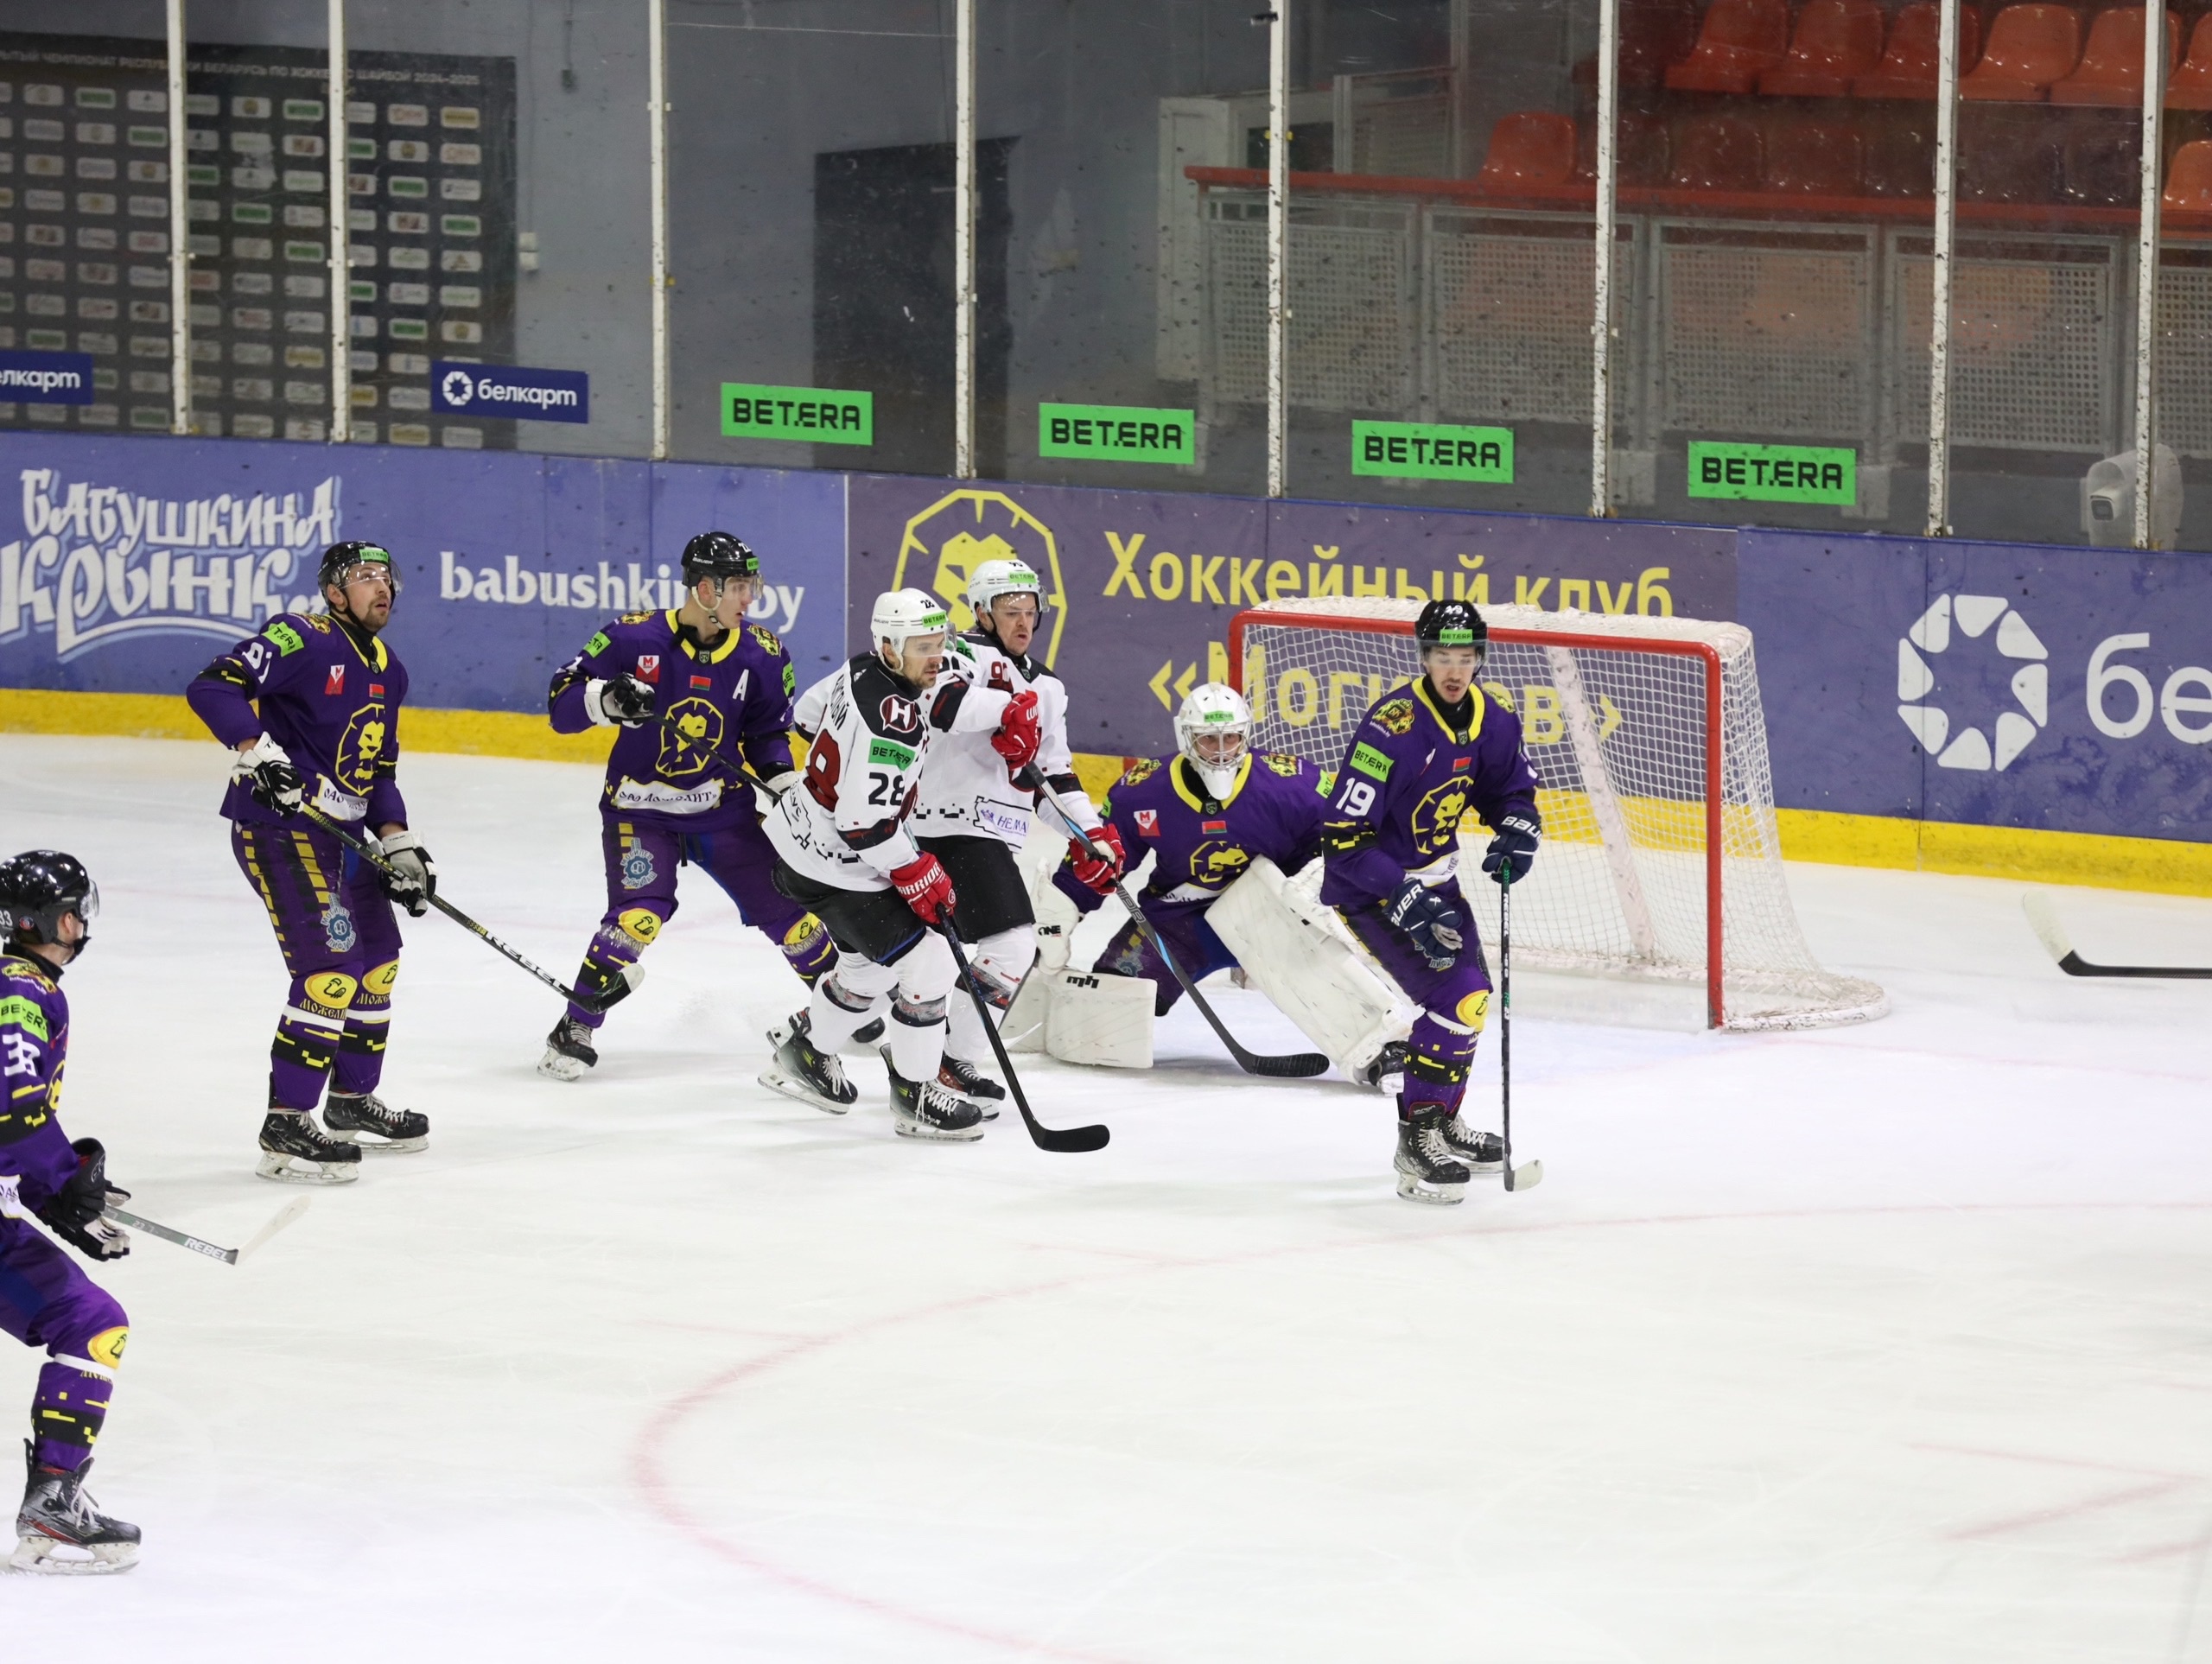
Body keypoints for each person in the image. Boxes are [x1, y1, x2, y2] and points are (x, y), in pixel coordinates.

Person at [537, 531, 837, 1080]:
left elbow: (766, 736)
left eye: (751, 586)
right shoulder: (632, 637)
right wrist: (605, 700)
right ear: (704, 588)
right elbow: (561, 705)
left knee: (793, 914)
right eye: (738, 587)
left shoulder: (763, 654)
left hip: (723, 814)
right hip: (639, 812)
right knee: (637, 915)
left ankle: (843, 1014)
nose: (749, 598)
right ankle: (574, 1026)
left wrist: (785, 785)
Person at [187, 541, 432, 1184]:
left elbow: (378, 770)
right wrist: (256, 748)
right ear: (334, 592)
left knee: (378, 963)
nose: (381, 587)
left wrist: (398, 839)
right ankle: (287, 1122)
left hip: (345, 838)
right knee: (330, 971)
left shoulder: (391, 669)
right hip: (281, 829)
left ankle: (350, 1100)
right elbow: (213, 685)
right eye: (364, 577)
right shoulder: (301, 636)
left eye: (386, 576)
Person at [756, 589, 1042, 1139]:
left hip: (801, 841)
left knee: (873, 965)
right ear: (890, 647)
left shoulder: (859, 667)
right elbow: (863, 825)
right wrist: (915, 870)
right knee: (931, 959)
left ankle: (806, 1054)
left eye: (939, 644)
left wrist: (832, 775)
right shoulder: (896, 727)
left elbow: (808, 716)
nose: (936, 658)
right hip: (837, 861)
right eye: (922, 648)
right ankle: (916, 1096)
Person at [1319, 600, 1542, 1204]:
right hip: (1373, 889)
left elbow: (1509, 790)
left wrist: (1518, 825)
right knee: (1457, 999)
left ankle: (1441, 1121)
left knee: (1470, 1004)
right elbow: (1343, 840)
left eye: (1466, 657)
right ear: (1424, 657)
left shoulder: (1495, 718)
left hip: (1438, 884)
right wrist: (1399, 893)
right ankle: (1416, 1138)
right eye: (1443, 656)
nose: (1454, 670)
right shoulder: (1390, 728)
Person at [910, 558, 1118, 1104]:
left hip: (990, 831)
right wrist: (1005, 711)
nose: (1023, 621)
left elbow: (1054, 776)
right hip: (944, 823)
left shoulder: (1049, 686)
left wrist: (1089, 833)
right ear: (982, 613)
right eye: (1009, 611)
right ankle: (950, 1062)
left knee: (911, 957)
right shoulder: (957, 652)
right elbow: (942, 705)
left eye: (1030, 611)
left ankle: (814, 1038)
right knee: (1011, 945)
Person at [0, 851, 140, 1573]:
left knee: (89, 1318)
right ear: (58, 921)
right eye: (77, 912)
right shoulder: (22, 992)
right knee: (92, 1324)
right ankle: (53, 1502)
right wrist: (63, 1179)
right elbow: (13, 1110)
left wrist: (60, 1199)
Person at [1045, 683, 1329, 1013]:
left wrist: (1315, 901)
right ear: (1187, 738)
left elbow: (1342, 846)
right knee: (1109, 1007)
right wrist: (1058, 915)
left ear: (1245, 736)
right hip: (1179, 925)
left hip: (1276, 923)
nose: (1221, 750)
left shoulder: (1294, 786)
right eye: (1208, 739)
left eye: (1230, 737)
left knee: (1349, 1008)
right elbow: (1099, 861)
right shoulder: (1143, 792)